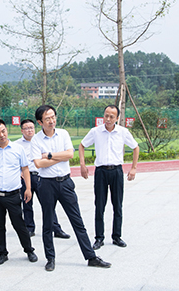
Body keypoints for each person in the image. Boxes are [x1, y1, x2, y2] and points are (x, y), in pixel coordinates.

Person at [31, 105, 111, 272]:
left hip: (65, 183)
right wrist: (60, 157)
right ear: (40, 122)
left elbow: (70, 154)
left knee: (77, 221)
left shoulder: (64, 134)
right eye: (47, 119)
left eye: (53, 117)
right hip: (46, 185)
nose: (52, 121)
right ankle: (50, 258)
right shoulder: (36, 140)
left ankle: (91, 257)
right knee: (48, 223)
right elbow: (39, 163)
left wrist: (51, 156)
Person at [79, 105, 140, 249]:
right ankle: (99, 237)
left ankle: (117, 236)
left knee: (117, 205)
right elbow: (82, 145)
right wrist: (82, 164)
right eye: (106, 115)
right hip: (100, 172)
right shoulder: (96, 132)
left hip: (116, 172)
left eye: (112, 116)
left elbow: (135, 147)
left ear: (117, 118)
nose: (108, 119)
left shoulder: (123, 132)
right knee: (99, 205)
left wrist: (133, 168)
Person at [0, 119, 38, 266]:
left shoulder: (17, 149)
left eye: (3, 131)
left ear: (6, 130)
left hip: (13, 194)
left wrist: (27, 188)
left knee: (19, 224)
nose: (1, 135)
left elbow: (25, 169)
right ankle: (2, 253)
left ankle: (29, 250)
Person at [14, 119, 68, 239]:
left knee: (48, 204)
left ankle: (56, 228)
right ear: (22, 130)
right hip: (26, 177)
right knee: (27, 203)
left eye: (31, 128)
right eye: (26, 128)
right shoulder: (17, 145)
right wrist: (19, 173)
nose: (29, 130)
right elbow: (13, 162)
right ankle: (29, 228)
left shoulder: (40, 141)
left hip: (41, 176)